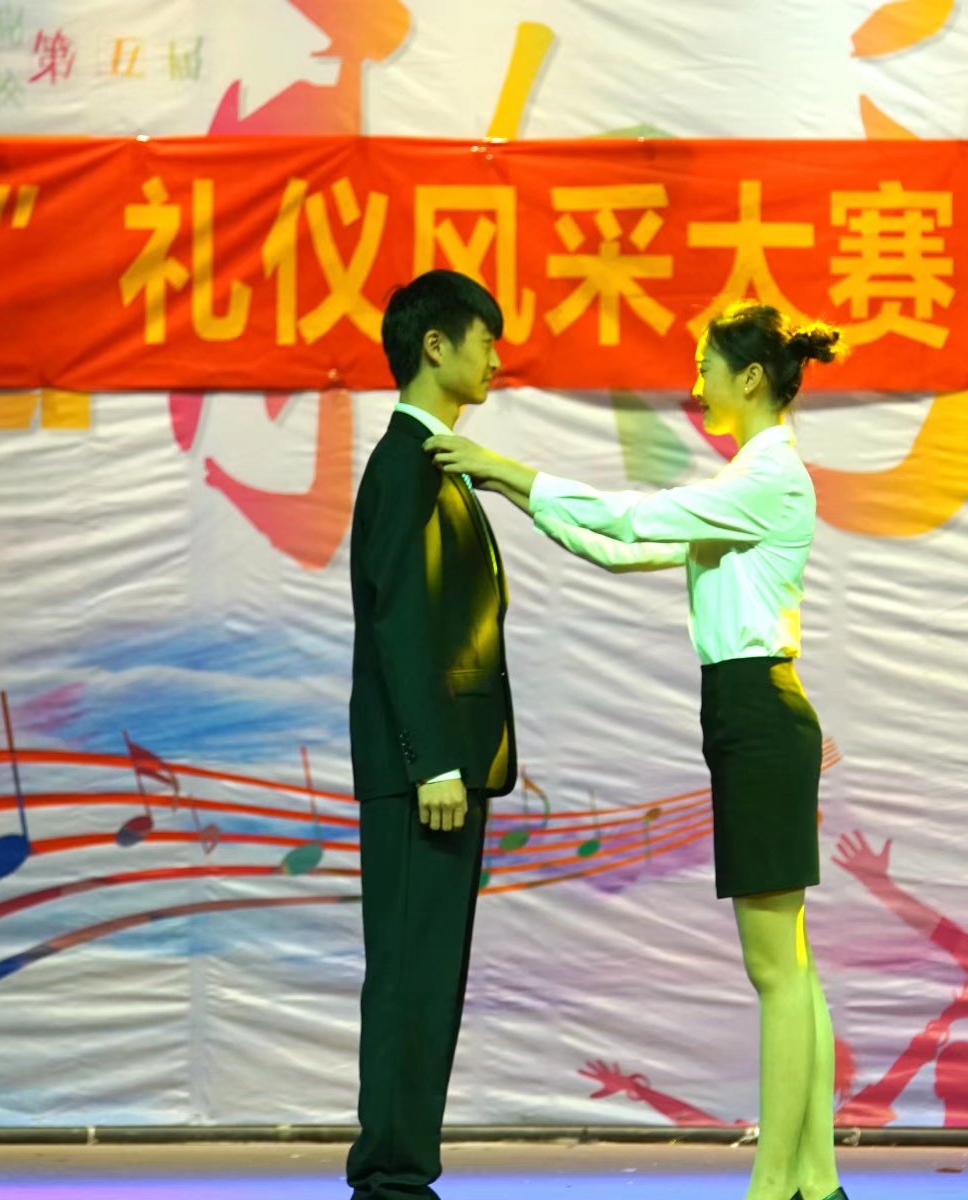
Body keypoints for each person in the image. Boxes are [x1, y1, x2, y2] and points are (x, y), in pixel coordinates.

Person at [427, 302, 847, 1200]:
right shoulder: (748, 478)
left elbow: (632, 516)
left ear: (748, 378)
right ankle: (813, 1180)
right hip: (748, 714)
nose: (693, 384)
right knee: (790, 966)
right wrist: (511, 492)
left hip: (758, 715)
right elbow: (619, 549)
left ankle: (775, 1185)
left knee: (775, 970)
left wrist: (506, 466)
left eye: (704, 367)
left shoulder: (768, 476)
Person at [346, 270, 517, 1200]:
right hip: (427, 776)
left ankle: (402, 1170)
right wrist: (433, 763)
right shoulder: (406, 463)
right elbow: (402, 622)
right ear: (435, 346)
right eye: (485, 339)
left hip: (441, 771)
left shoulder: (435, 461)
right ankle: (390, 1179)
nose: (496, 358)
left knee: (427, 977)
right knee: (411, 977)